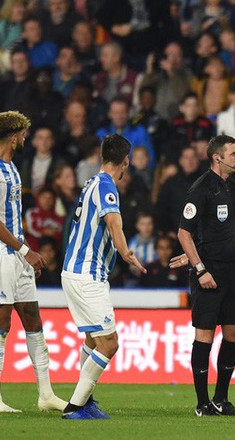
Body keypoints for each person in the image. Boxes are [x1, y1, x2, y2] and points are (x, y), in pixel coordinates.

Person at [0, 111, 65, 413]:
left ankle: (46, 394)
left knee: (33, 319)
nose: (26, 138)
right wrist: (26, 251)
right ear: (14, 137)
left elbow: (10, 220)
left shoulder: (12, 169)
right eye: (24, 134)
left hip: (16, 254)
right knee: (0, 323)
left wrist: (25, 253)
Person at [60, 133, 147, 419]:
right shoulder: (107, 187)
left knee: (92, 340)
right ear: (125, 161)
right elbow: (113, 221)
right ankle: (75, 406)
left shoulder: (90, 184)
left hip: (73, 272)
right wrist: (126, 253)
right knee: (109, 343)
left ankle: (86, 401)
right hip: (87, 275)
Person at [175, 135, 235, 417]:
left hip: (230, 269)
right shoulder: (200, 188)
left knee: (233, 333)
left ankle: (221, 398)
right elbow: (183, 232)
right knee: (205, 334)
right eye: (234, 154)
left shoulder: (231, 186)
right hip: (207, 270)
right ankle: (202, 403)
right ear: (218, 157)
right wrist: (199, 267)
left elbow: (224, 229)